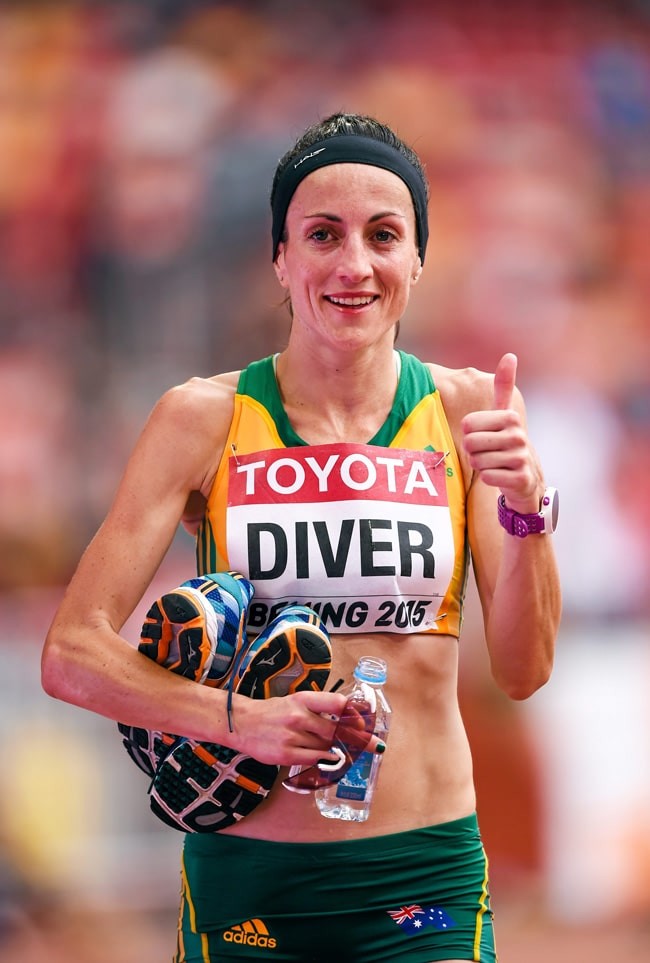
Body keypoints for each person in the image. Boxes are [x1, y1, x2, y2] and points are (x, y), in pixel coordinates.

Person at [42, 112, 561, 962]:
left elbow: (524, 669)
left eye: (383, 235)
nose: (354, 264)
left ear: (417, 259)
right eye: (323, 234)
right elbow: (71, 654)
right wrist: (240, 721)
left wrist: (529, 509)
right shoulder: (202, 418)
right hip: (249, 883)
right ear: (281, 258)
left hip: (423, 878)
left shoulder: (470, 411)